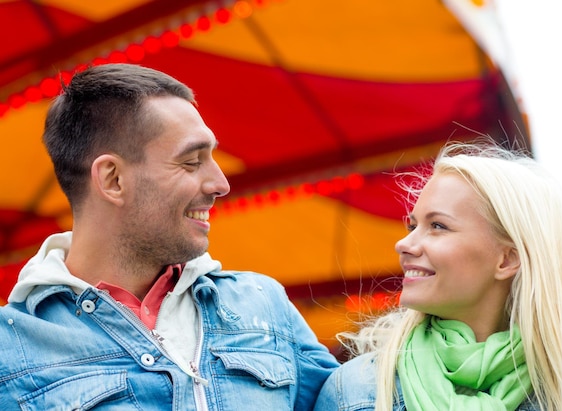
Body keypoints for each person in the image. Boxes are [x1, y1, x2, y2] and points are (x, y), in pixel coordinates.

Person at [0, 63, 339, 410]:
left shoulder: (264, 304)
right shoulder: (8, 350)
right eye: (191, 162)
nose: (220, 184)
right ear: (113, 179)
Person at [313, 141, 562, 411]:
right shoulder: (354, 392)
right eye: (413, 226)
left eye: (437, 226)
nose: (404, 244)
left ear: (507, 259)